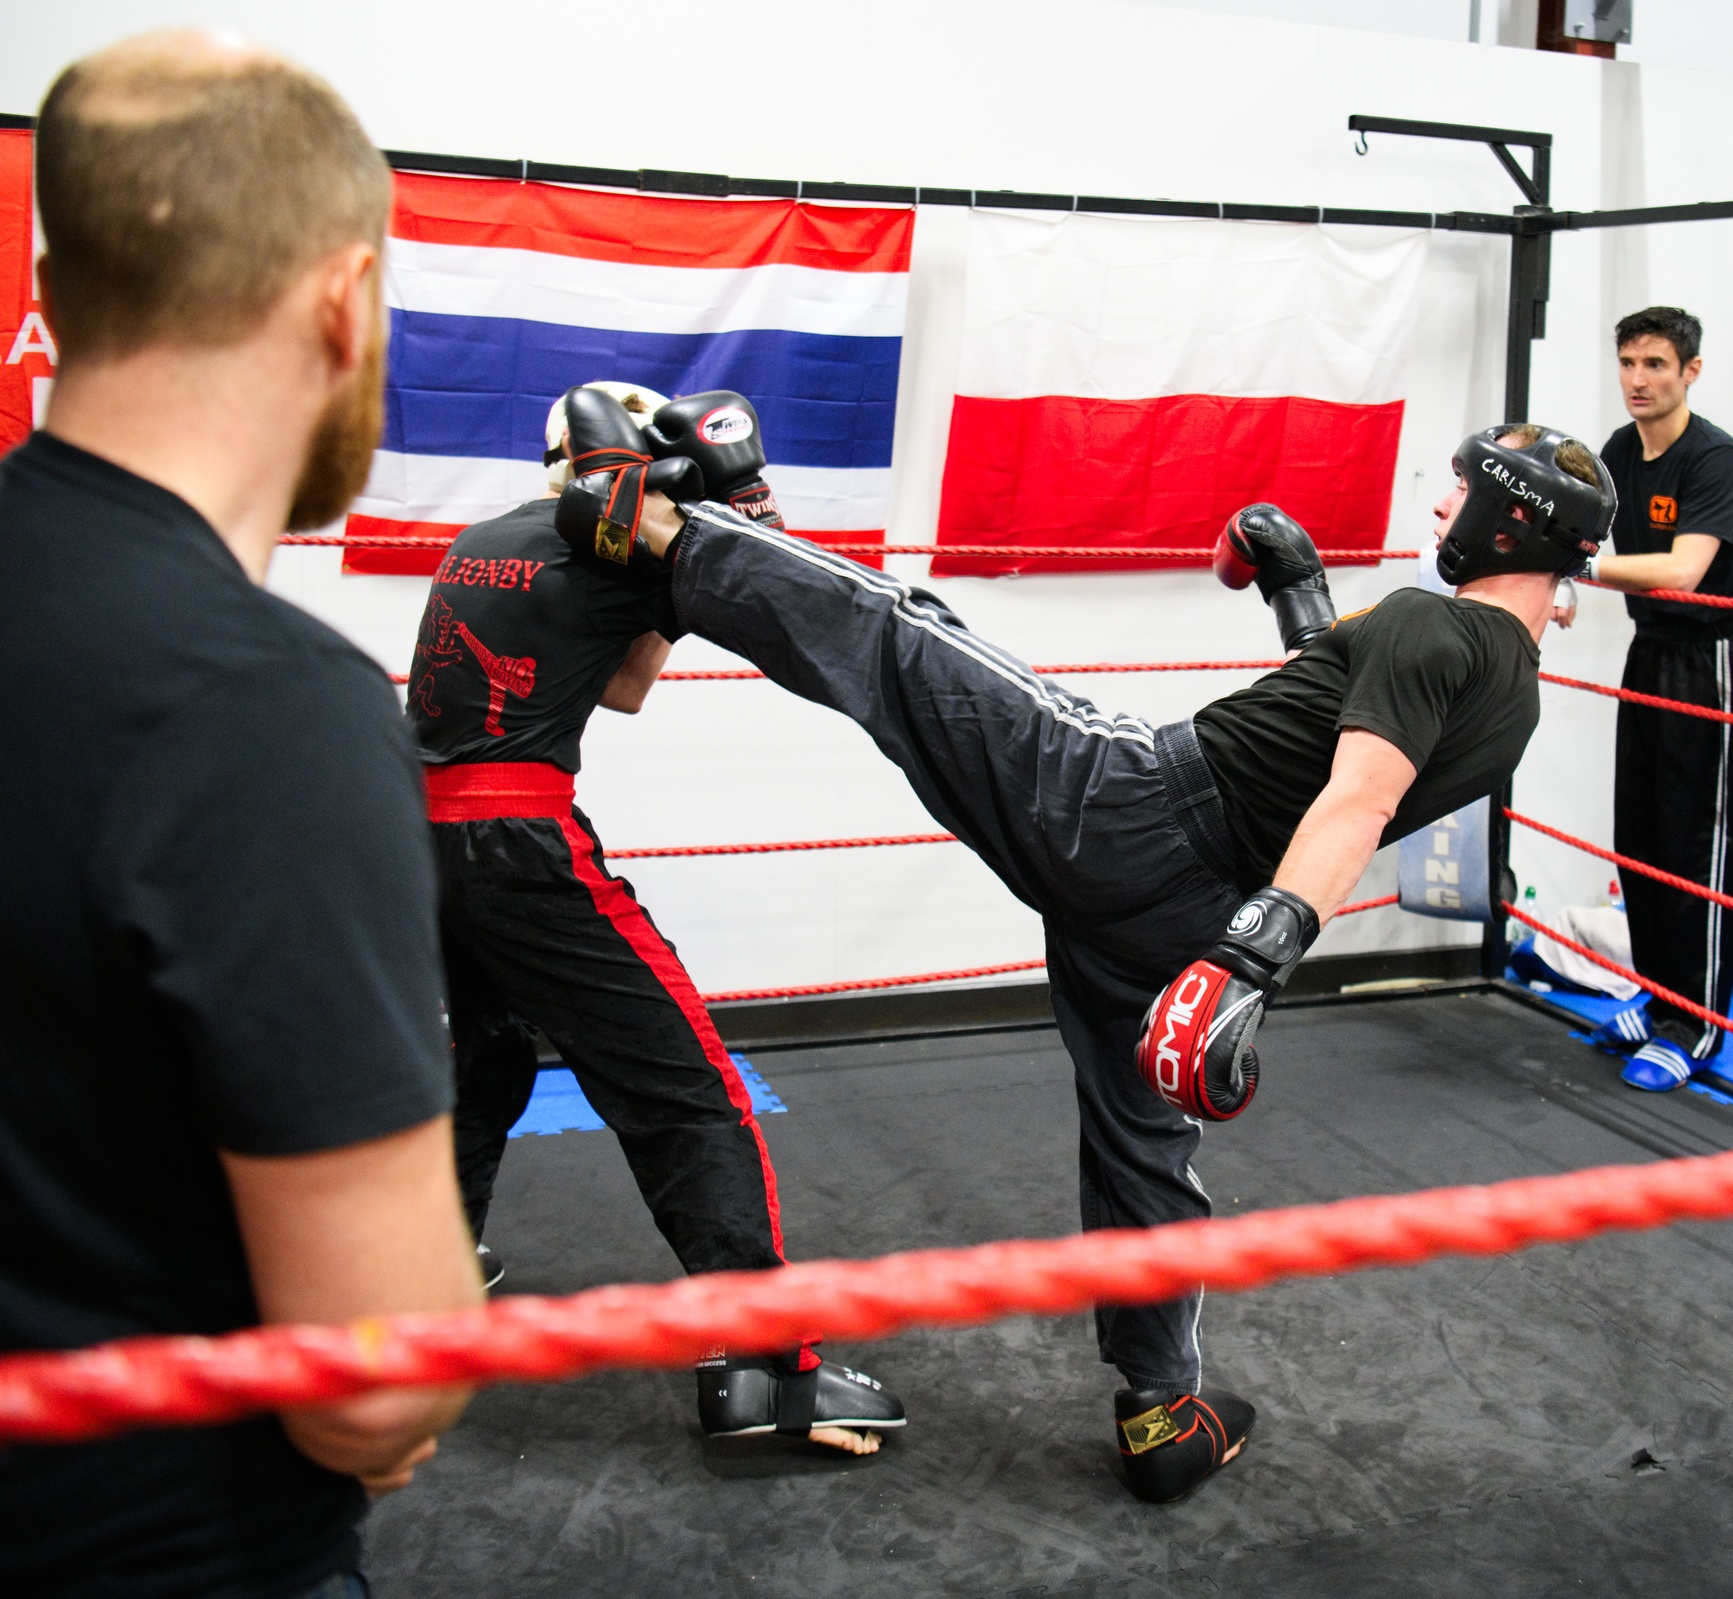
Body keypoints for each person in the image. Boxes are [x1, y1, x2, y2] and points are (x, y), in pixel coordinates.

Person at [580, 417, 1611, 1502]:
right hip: (1189, 907)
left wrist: (1252, 962)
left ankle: (659, 528)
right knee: (1143, 1148)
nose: (1440, 506)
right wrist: (1298, 595)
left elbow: (1357, 797)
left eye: (1460, 489)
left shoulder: (1427, 621)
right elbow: (1334, 731)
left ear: (1510, 522)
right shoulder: (1513, 696)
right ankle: (1162, 1410)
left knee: (901, 633)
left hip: (1128, 809)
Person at [0, 34, 485, 1599]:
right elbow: (376, 1382)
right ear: (347, 300)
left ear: (59, 295)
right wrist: (399, 1383)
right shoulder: (260, 709)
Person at [406, 381, 903, 1453]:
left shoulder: (479, 540)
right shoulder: (613, 543)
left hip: (421, 839)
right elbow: (770, 620)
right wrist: (721, 524)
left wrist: (660, 596)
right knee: (687, 1088)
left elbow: (617, 684)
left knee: (484, 1058)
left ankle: (426, 1275)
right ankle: (767, 1369)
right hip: (519, 839)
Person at [1583, 306, 1733, 1093]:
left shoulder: (1713, 456)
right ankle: (1659, 999)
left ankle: (1698, 1024)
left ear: (1691, 371)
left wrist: (1580, 572)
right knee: (1642, 837)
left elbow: (1685, 570)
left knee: (1698, 848)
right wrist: (1557, 578)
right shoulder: (1620, 450)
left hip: (1710, 661)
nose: (1638, 379)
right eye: (1628, 362)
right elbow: (1580, 532)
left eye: (1655, 364)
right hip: (1648, 653)